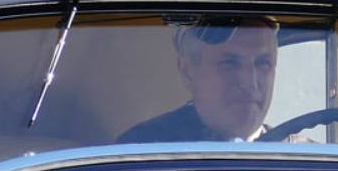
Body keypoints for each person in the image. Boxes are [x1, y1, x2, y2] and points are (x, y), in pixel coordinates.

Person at [117, 18, 280, 144]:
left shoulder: (298, 154)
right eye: (229, 63)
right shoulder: (145, 149)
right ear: (188, 71)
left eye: (263, 63)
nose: (249, 83)